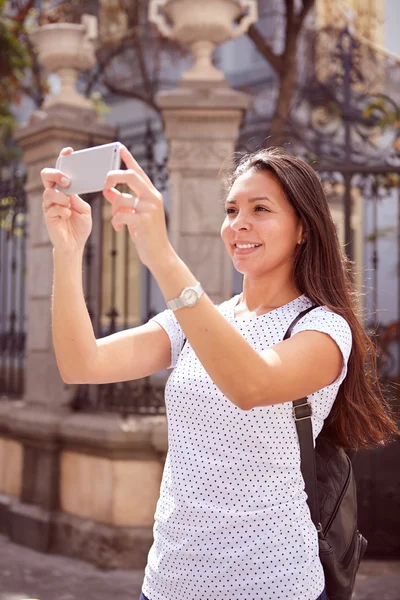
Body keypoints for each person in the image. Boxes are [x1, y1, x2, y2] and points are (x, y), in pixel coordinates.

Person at [41, 145, 397, 600]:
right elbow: (81, 363)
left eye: (260, 209)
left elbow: (250, 385)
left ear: (303, 228)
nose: (239, 224)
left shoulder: (322, 328)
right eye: (231, 210)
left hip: (273, 585)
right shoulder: (201, 319)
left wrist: (161, 255)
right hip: (169, 582)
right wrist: (67, 252)